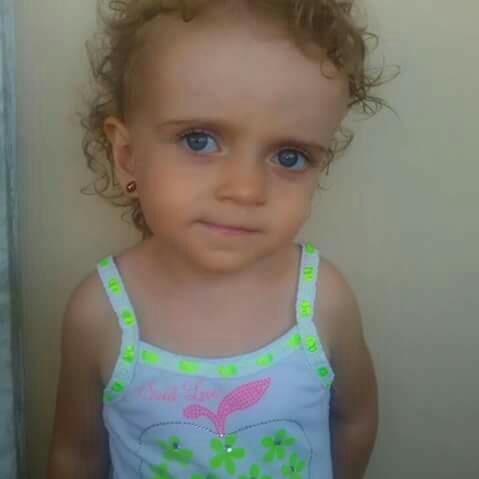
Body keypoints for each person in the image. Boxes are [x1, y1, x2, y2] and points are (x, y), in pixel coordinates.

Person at [48, 1, 390, 478]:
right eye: (199, 140)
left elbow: (354, 419)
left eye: (289, 157)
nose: (245, 190)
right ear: (126, 155)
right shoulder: (99, 311)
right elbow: (77, 454)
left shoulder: (323, 300)